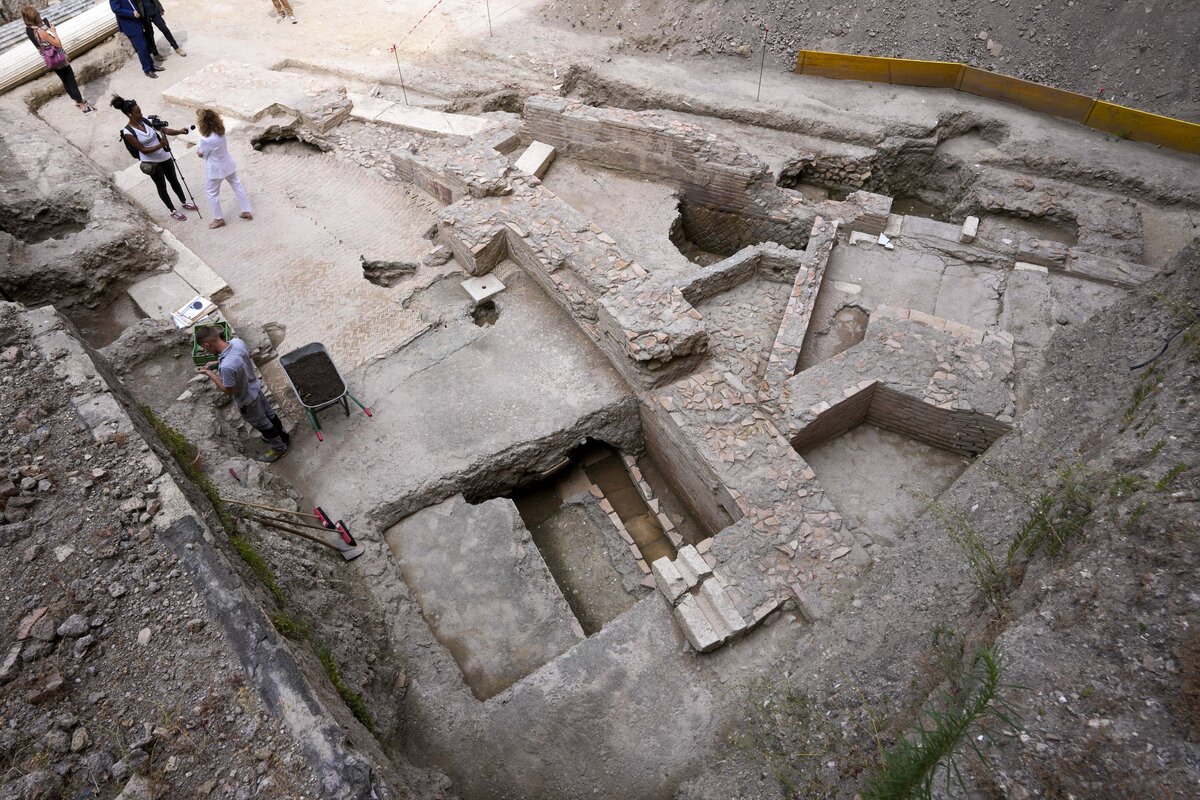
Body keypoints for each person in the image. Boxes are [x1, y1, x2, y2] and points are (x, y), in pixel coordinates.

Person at [195, 326, 291, 463]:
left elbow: (229, 391)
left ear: (207, 344)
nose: (205, 350)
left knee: (263, 424)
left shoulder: (227, 367)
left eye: (204, 348)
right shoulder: (237, 343)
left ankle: (279, 448)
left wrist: (210, 374)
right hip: (255, 388)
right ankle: (283, 436)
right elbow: (241, 357)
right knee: (269, 414)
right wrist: (217, 363)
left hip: (247, 400)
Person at [112, 95, 197, 221]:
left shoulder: (146, 120)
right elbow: (142, 149)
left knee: (174, 180)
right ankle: (172, 210)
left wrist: (180, 131)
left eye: (140, 110)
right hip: (151, 162)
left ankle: (184, 202)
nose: (141, 114)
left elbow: (165, 130)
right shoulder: (127, 132)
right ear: (130, 114)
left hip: (164, 156)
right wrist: (160, 145)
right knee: (161, 186)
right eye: (138, 112)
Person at [22, 6, 94, 113]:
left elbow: (41, 44)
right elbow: (58, 44)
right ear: (34, 17)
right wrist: (53, 31)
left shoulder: (28, 30)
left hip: (50, 59)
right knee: (71, 81)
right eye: (38, 14)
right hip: (58, 58)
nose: (40, 16)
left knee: (64, 80)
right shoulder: (40, 32)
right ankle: (83, 105)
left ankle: (76, 101)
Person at [196, 108, 253, 229]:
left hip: (216, 169)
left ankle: (218, 219)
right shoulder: (221, 131)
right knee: (237, 186)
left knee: (211, 193)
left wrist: (198, 151)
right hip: (228, 164)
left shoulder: (205, 139)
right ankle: (246, 210)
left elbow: (202, 154)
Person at [109, 0, 161, 78]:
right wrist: (132, 13)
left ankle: (151, 66)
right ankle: (147, 70)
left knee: (145, 46)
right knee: (141, 48)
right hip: (129, 25)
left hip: (137, 22)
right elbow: (116, 9)